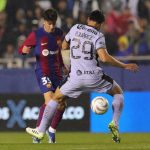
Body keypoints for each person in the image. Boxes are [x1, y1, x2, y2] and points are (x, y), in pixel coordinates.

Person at [26, 10, 139, 143]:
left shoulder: (75, 28)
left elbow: (64, 45)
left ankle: (40, 131)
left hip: (75, 78)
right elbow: (104, 58)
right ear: (100, 24)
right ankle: (114, 123)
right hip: (95, 77)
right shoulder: (98, 35)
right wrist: (124, 66)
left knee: (55, 99)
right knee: (118, 92)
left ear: (88, 19)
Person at [19, 9, 67, 143]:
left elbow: (58, 53)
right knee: (50, 100)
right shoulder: (36, 34)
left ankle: (51, 130)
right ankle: (38, 133)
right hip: (43, 71)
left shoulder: (59, 33)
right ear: (44, 22)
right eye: (49, 24)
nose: (52, 27)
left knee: (62, 104)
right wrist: (24, 51)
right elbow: (22, 49)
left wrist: (63, 66)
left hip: (56, 72)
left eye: (54, 24)